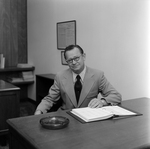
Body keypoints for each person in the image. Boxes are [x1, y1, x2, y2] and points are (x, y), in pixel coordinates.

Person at [34, 45, 122, 115]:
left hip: (89, 117)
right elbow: (50, 99)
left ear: (83, 56)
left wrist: (102, 101)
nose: (74, 62)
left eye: (76, 58)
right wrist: (39, 111)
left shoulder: (98, 75)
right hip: (66, 116)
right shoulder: (60, 76)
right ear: (66, 61)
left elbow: (116, 96)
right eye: (70, 60)